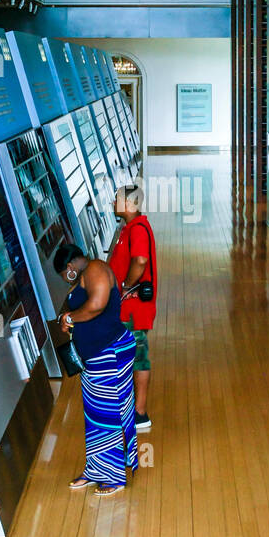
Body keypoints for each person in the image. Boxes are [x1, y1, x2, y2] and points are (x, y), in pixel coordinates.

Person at [54, 241, 138, 498]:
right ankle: (96, 469)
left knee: (108, 416)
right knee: (95, 416)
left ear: (69, 267)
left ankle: (114, 477)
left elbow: (98, 304)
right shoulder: (84, 275)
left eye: (63, 275)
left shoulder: (95, 268)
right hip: (95, 357)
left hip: (110, 353)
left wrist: (69, 318)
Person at [109, 183, 158, 431]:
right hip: (127, 306)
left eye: (117, 199)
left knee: (137, 357)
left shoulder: (137, 229)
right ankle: (130, 408)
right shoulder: (129, 228)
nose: (113, 202)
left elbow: (140, 260)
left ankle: (139, 414)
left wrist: (127, 285)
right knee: (128, 355)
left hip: (133, 308)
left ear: (129, 204)